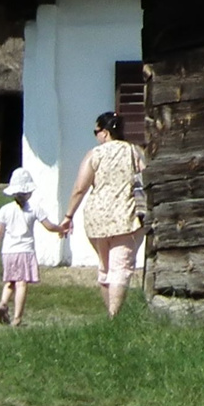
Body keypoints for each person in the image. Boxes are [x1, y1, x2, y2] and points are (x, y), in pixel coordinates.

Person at [60, 110, 146, 318]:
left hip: (97, 217)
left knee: (105, 266)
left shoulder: (94, 155)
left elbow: (80, 188)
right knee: (121, 266)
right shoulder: (134, 152)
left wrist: (68, 215)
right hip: (125, 215)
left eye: (96, 131)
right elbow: (145, 179)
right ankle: (114, 316)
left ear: (105, 133)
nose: (96, 136)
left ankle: (110, 313)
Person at [0, 168, 64, 326]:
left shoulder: (5, 210)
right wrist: (61, 229)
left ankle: (3, 302)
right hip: (25, 251)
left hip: (8, 251)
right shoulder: (34, 208)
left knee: (10, 281)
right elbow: (49, 226)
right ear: (29, 192)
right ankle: (17, 317)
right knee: (22, 283)